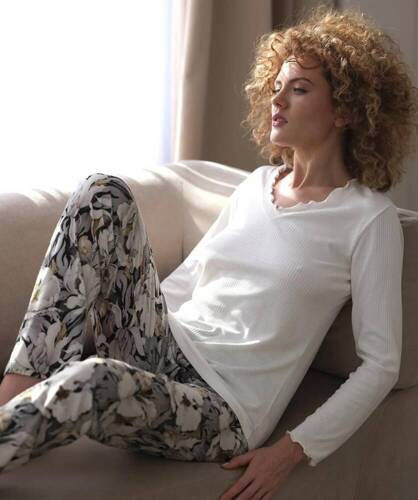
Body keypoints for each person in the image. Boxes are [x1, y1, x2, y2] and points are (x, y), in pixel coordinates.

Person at [0, 4, 417, 499]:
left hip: (222, 408)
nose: (277, 99)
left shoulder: (368, 219)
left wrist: (292, 449)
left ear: (345, 109)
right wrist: (122, 316)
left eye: (299, 89)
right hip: (168, 346)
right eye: (276, 86)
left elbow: (380, 365)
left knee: (95, 380)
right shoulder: (258, 185)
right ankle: (14, 398)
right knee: (102, 192)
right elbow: (192, 276)